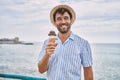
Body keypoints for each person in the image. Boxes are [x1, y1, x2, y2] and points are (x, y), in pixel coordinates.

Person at [38, 4, 93, 80]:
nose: (63, 22)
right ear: (55, 22)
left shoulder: (83, 44)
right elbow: (41, 70)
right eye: (59, 19)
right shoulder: (47, 43)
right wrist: (47, 55)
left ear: (70, 20)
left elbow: (88, 74)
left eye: (66, 18)